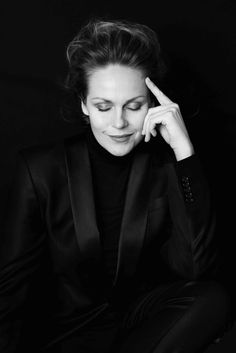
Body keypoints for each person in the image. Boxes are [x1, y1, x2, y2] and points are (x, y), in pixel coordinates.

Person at [0, 17, 232, 353]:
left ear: (153, 104)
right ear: (84, 104)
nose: (119, 123)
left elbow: (196, 271)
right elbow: (9, 290)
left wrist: (184, 153)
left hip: (143, 329)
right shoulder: (40, 170)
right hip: (67, 335)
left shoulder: (165, 166)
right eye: (103, 107)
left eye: (134, 106)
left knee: (213, 298)